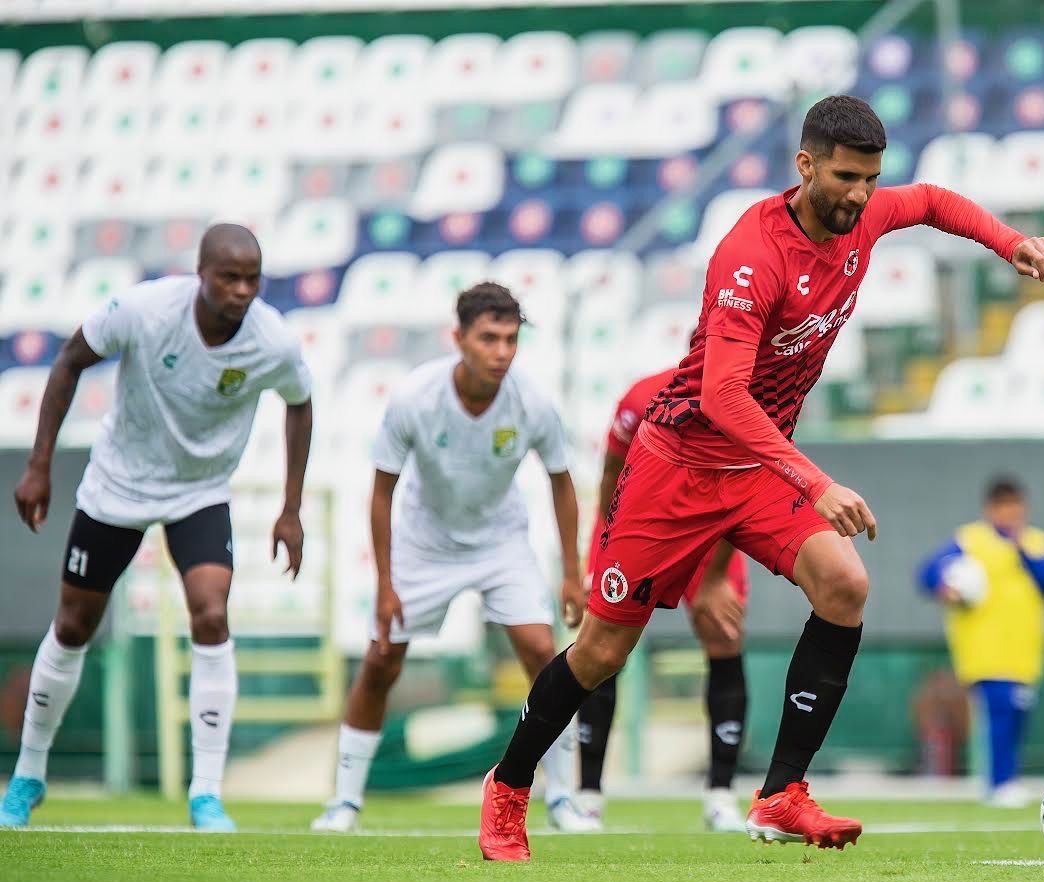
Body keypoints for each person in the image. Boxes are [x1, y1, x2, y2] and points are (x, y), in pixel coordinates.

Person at [476, 94, 1044, 862]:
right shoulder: (751, 255)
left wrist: (1009, 242)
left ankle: (781, 794)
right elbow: (722, 397)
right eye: (847, 177)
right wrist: (814, 480)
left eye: (870, 178)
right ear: (806, 164)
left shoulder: (867, 218)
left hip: (755, 468)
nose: (861, 194)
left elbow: (927, 201)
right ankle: (509, 787)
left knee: (845, 586)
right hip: (679, 467)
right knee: (600, 653)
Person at [2, 224, 314, 831]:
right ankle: (29, 774)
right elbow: (69, 361)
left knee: (212, 613)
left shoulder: (272, 341)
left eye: (253, 278)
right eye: (230, 276)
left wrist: (291, 507)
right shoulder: (144, 311)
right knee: (73, 626)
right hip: (118, 484)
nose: (243, 289)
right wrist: (39, 464)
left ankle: (206, 793)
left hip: (199, 491)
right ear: (200, 273)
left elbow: (300, 403)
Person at [309, 282, 597, 834]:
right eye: (489, 338)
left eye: (512, 339)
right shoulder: (415, 398)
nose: (502, 352)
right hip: (425, 544)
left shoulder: (533, 401)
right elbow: (381, 492)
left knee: (544, 654)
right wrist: (387, 583)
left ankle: (562, 797)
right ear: (458, 337)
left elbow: (562, 484)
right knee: (380, 662)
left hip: (500, 541)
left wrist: (568, 573)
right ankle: (344, 801)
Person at [575, 367, 751, 833]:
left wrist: (716, 579)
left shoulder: (754, 403)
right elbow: (610, 475)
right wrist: (605, 548)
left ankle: (720, 796)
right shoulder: (643, 398)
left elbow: (750, 497)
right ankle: (588, 794)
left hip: (714, 536)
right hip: (642, 529)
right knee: (600, 648)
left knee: (724, 634)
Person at [916, 477, 1044, 807]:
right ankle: (999, 783)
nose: (1010, 513)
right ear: (990, 509)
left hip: (1024, 650)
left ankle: (1006, 779)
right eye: (1003, 506)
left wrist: (1022, 549)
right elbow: (927, 573)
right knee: (999, 710)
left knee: (1017, 714)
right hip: (983, 648)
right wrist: (946, 586)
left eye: (1016, 506)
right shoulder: (969, 541)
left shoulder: (1036, 543)